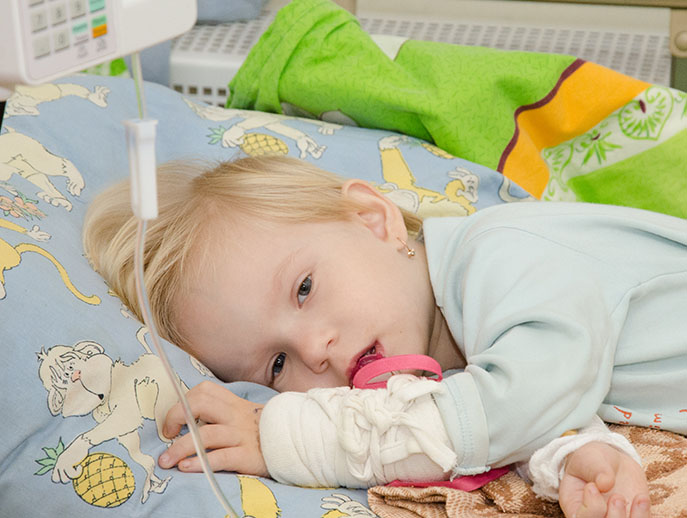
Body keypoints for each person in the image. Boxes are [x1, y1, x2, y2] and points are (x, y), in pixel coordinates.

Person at [83, 156, 687, 518]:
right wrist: (578, 454)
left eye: (304, 288)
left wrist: (291, 437)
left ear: (374, 220)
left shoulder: (502, 257)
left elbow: (519, 400)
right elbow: (537, 402)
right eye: (276, 366)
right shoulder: (448, 350)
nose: (314, 349)